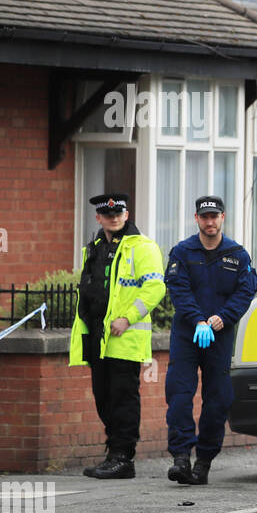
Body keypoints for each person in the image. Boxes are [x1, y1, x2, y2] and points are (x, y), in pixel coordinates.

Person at [163, 196, 257, 486]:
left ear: (222, 218)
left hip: (219, 335)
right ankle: (181, 458)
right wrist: (198, 320)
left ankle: (203, 462)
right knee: (179, 395)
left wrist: (222, 318)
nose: (210, 222)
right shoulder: (183, 251)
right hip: (187, 333)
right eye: (205, 217)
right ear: (196, 219)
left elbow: (246, 290)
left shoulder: (237, 254)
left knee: (217, 400)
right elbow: (178, 289)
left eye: (214, 216)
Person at [69, 194, 165, 478]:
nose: (113, 217)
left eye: (118, 212)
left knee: (122, 398)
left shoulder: (143, 247)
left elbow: (155, 289)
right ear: (99, 217)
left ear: (126, 214)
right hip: (98, 336)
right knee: (103, 397)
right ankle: (113, 452)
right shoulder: (95, 247)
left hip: (125, 337)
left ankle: (124, 458)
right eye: (107, 214)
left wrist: (128, 318)